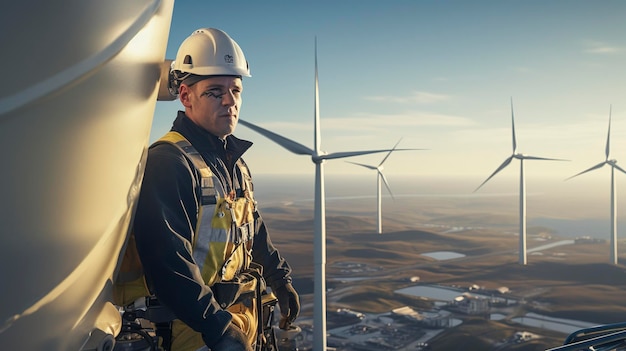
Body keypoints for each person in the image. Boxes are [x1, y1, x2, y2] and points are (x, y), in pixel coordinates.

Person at [118, 28, 300, 351]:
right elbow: (167, 262)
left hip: (232, 327)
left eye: (236, 90)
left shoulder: (234, 165)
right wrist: (217, 328)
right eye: (215, 91)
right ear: (186, 96)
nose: (230, 101)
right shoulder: (170, 163)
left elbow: (250, 227)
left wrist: (279, 277)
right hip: (190, 336)